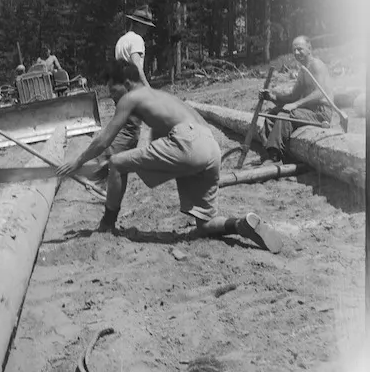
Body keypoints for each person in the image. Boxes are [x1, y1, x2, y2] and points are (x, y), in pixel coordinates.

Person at [56, 59, 283, 254]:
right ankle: (241, 224)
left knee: (116, 162)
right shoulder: (160, 97)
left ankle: (107, 224)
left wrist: (78, 162)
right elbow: (160, 142)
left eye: (114, 92)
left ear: (126, 84)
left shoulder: (131, 97)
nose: (115, 100)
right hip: (210, 147)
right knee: (205, 225)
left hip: (188, 143)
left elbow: (104, 140)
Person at [95, 5, 156, 222]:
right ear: (139, 24)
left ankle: (106, 164)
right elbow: (137, 67)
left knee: (122, 125)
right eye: (146, 26)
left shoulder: (122, 40)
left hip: (118, 86)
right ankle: (106, 167)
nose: (147, 31)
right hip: (130, 87)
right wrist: (148, 91)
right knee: (130, 132)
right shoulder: (137, 41)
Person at [259, 35, 333, 164]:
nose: (296, 53)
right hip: (307, 111)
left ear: (309, 48)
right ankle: (274, 150)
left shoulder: (317, 65)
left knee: (285, 114)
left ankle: (274, 156)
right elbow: (293, 96)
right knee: (271, 114)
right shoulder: (303, 70)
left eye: (300, 49)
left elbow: (321, 92)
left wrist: (295, 105)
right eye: (294, 50)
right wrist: (272, 97)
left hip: (321, 113)